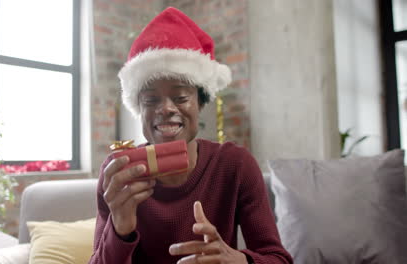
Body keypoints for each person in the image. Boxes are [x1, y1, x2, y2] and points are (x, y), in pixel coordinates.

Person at [89, 7, 293, 264]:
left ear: (200, 102)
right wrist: (119, 230)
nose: (165, 109)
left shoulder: (235, 165)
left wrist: (236, 260)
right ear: (138, 109)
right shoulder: (119, 172)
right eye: (151, 99)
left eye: (181, 97)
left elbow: (279, 259)